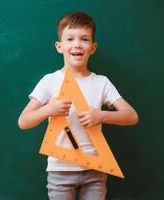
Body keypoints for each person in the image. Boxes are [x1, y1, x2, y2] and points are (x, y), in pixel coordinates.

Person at [18, 11, 139, 200]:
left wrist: (101, 116)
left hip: (96, 168)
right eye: (70, 39)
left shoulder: (101, 83)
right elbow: (23, 121)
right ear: (59, 46)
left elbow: (131, 116)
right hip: (60, 170)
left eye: (84, 39)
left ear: (93, 47)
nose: (77, 44)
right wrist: (49, 109)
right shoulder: (49, 81)